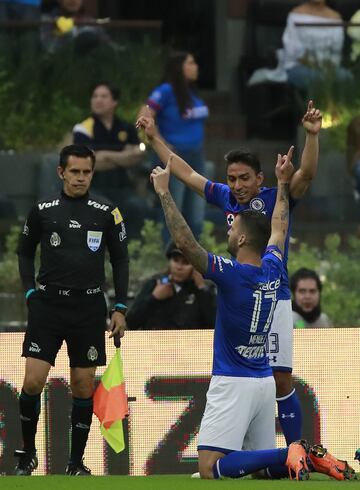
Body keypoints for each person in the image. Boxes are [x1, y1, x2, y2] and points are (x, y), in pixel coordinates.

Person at [149, 153, 355, 481]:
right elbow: (279, 224)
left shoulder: (231, 273)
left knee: (209, 469)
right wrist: (283, 183)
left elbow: (186, 244)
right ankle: (308, 458)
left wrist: (164, 193)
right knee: (260, 473)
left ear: (243, 238)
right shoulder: (273, 266)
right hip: (262, 382)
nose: (229, 232)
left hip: (234, 382)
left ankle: (292, 450)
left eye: (235, 229)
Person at [136, 99, 322, 447]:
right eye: (232, 179)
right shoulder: (225, 198)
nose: (237, 185)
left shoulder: (276, 196)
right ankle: (246, 452)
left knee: (281, 378)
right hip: (238, 296)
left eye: (244, 179)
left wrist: (312, 136)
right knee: (243, 374)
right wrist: (155, 135)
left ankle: (298, 451)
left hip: (273, 296)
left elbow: (306, 175)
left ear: (260, 178)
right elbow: (186, 173)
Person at [15, 144, 129, 476]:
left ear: (93, 173)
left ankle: (75, 463)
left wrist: (120, 307)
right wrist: (29, 292)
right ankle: (27, 456)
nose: (80, 178)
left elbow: (120, 259)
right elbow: (24, 252)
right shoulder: (42, 209)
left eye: (86, 172)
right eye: (74, 172)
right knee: (33, 382)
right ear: (61, 172)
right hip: (48, 306)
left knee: (82, 385)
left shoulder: (108, 212)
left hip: (89, 307)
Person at [138, 50, 209, 242]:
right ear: (179, 67)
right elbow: (144, 115)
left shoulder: (191, 92)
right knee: (173, 206)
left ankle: (197, 257)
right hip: (173, 156)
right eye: (191, 63)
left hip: (196, 154)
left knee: (196, 208)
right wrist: (160, 141)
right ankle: (169, 254)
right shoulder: (165, 90)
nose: (196, 67)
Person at [73, 81, 148, 237]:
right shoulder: (83, 128)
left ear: (114, 102)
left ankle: (131, 254)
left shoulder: (126, 128)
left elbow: (137, 156)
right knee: (102, 210)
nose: (98, 100)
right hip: (94, 188)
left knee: (137, 206)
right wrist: (123, 155)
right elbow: (89, 163)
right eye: (95, 96)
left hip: (123, 188)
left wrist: (105, 155)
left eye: (104, 96)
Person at [126, 241, 216, 330]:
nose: (179, 267)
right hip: (156, 343)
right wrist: (154, 298)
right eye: (176, 260)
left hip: (190, 343)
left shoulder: (204, 290)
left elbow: (215, 325)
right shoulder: (155, 283)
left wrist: (202, 289)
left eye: (185, 262)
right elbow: (131, 323)